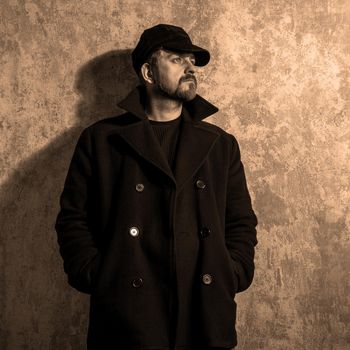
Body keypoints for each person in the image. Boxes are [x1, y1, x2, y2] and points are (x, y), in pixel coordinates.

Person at [55, 23, 258, 350]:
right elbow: (72, 219)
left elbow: (240, 221)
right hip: (128, 315)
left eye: (191, 61)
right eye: (177, 59)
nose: (190, 68)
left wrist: (232, 271)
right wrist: (99, 274)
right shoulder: (101, 141)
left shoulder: (220, 145)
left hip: (203, 310)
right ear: (148, 72)